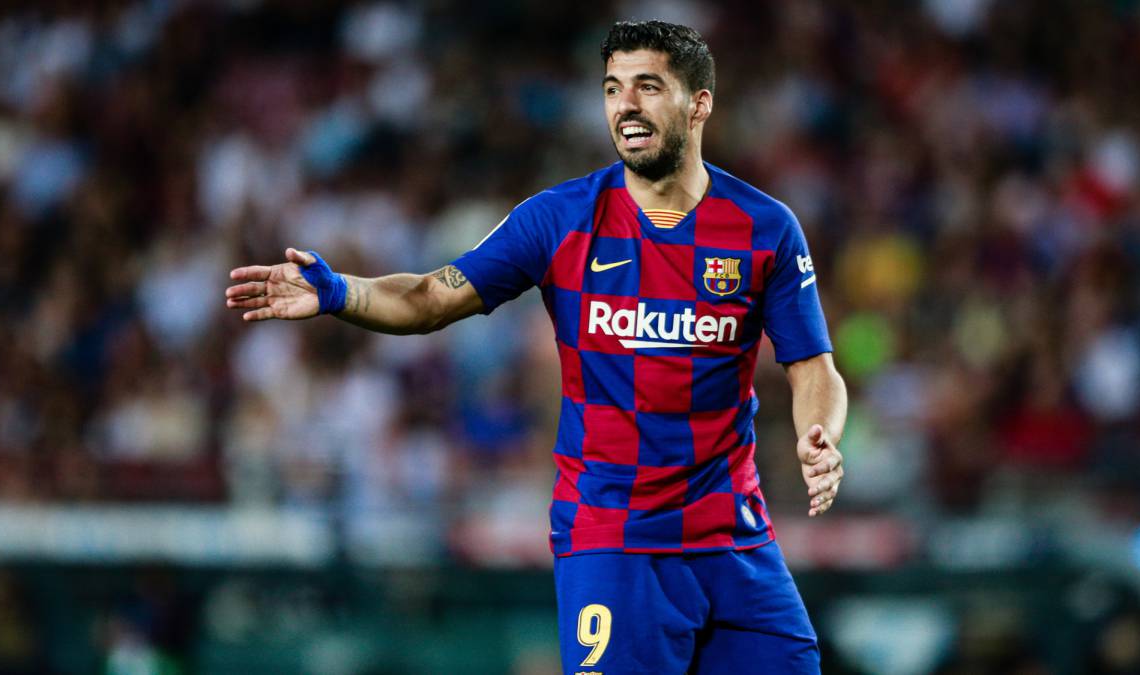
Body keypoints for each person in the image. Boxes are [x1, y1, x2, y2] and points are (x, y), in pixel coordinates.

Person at [226, 20, 846, 674]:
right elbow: (430, 298)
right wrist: (340, 292)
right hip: (615, 539)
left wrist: (820, 436)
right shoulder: (561, 219)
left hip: (733, 538)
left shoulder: (765, 228)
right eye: (612, 88)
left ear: (699, 104)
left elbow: (814, 366)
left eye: (647, 86)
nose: (626, 105)